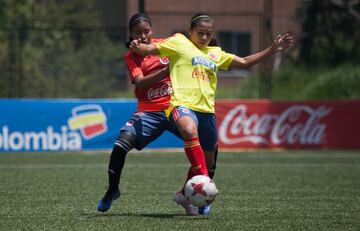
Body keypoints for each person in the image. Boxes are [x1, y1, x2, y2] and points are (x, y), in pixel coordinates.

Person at [129, 12, 294, 215]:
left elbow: (244, 62)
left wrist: (273, 49)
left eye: (208, 34)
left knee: (208, 159)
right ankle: (205, 182)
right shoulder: (178, 42)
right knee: (189, 130)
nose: (205, 37)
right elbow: (150, 48)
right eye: (200, 33)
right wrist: (139, 47)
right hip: (181, 104)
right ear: (190, 31)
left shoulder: (215, 53)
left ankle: (184, 194)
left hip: (207, 111)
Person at [97, 13, 208, 215]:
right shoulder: (131, 56)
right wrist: (165, 72)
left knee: (208, 146)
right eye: (138, 33)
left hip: (176, 106)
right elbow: (139, 82)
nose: (143, 36)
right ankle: (113, 189)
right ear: (131, 34)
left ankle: (193, 195)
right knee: (120, 145)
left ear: (152, 31)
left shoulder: (165, 45)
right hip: (148, 111)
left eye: (146, 31)